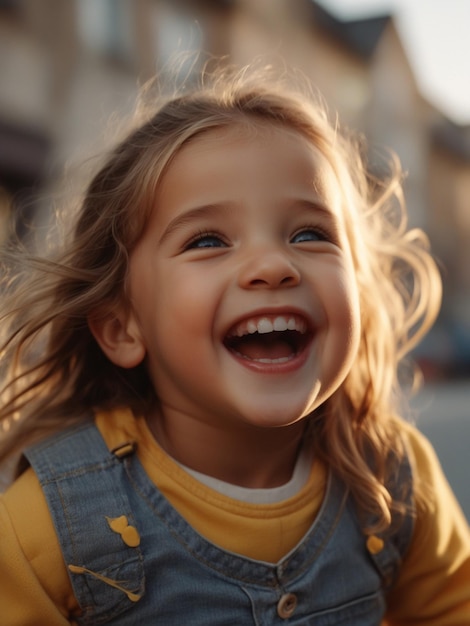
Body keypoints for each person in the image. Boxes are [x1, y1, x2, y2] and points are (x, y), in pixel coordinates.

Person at [0, 65, 469, 625]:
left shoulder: (392, 478)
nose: (273, 265)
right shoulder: (43, 528)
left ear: (360, 295)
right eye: (207, 240)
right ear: (123, 327)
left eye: (309, 234)